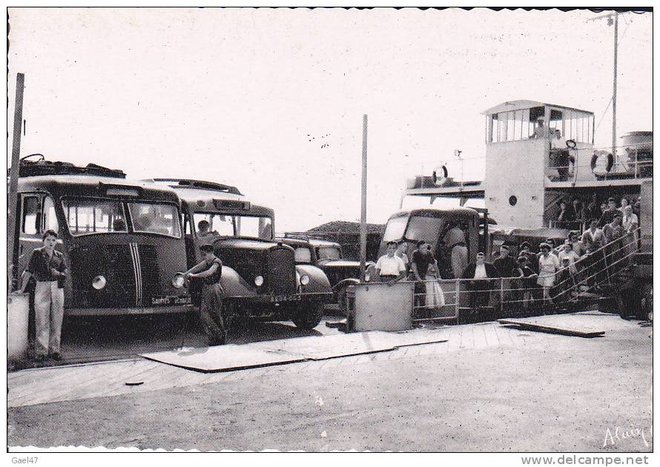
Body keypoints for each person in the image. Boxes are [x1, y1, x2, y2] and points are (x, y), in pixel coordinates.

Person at [20, 230, 68, 362]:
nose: (51, 243)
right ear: (43, 241)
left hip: (57, 287)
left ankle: (55, 350)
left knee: (57, 319)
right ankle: (41, 351)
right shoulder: (37, 253)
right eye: (48, 240)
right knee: (41, 319)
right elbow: (28, 272)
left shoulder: (59, 255)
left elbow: (65, 272)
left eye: (53, 240)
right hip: (42, 286)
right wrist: (22, 289)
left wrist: (58, 274)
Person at [183, 244, 227, 346]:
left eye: (204, 254)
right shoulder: (207, 261)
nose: (203, 257)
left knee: (215, 313)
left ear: (210, 253)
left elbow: (209, 272)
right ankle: (214, 336)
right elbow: (198, 267)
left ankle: (220, 337)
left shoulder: (216, 262)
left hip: (215, 288)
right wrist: (185, 274)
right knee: (204, 314)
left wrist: (194, 276)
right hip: (207, 288)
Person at [410, 241, 438, 308]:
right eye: (422, 248)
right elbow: (413, 266)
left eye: (425, 247)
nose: (425, 249)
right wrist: (418, 278)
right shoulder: (415, 254)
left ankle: (422, 314)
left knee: (423, 297)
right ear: (418, 249)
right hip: (414, 277)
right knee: (414, 297)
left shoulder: (429, 253)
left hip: (423, 277)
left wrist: (439, 276)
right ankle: (414, 314)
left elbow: (434, 264)